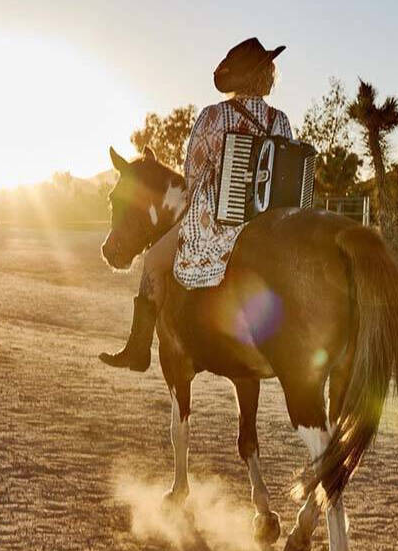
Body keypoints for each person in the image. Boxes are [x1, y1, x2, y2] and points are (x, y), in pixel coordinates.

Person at [100, 38, 293, 371]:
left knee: (152, 261)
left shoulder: (214, 117)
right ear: (265, 76)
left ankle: (138, 349)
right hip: (267, 225)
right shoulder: (280, 121)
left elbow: (192, 176)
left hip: (214, 226)